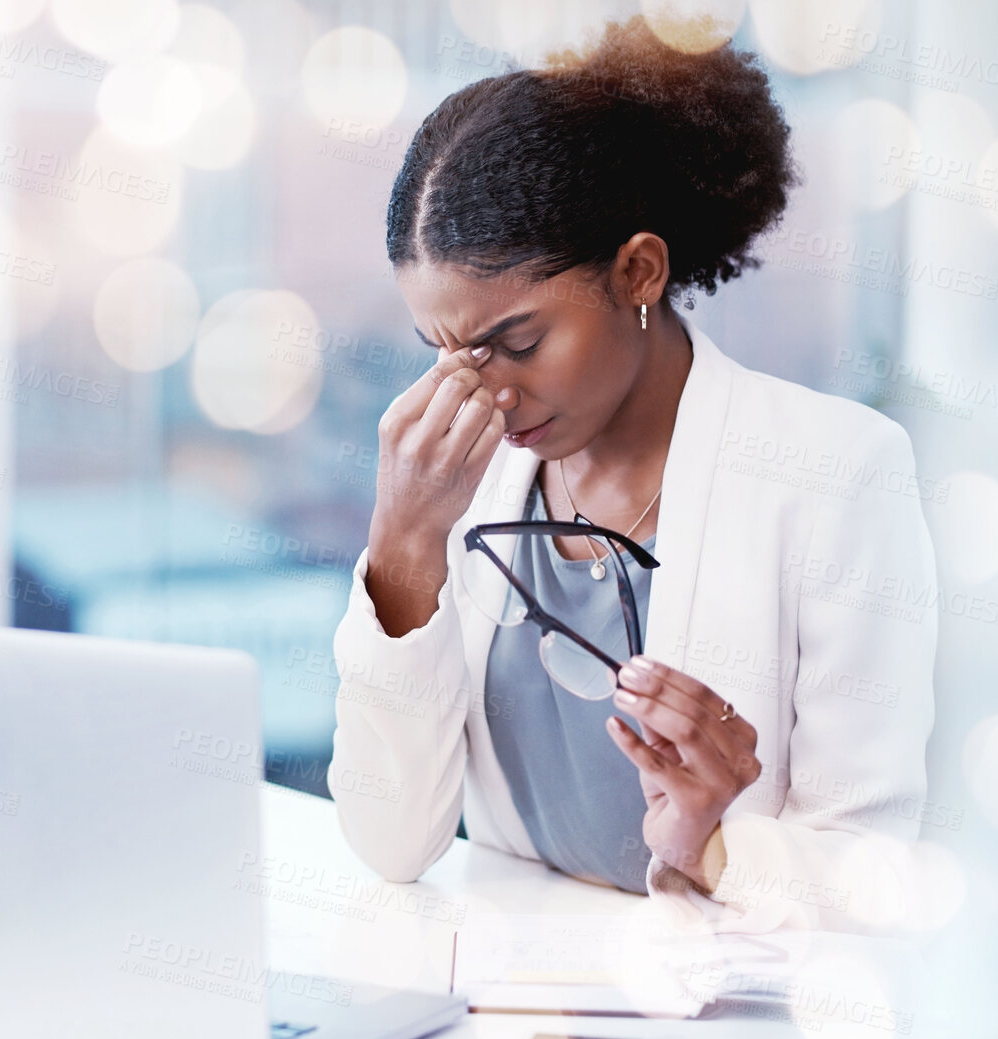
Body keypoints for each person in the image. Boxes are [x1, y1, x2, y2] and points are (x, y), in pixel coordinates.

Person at [328, 16, 938, 933]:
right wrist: (402, 545)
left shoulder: (833, 474)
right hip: (512, 1000)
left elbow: (870, 873)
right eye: (445, 353)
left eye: (517, 341)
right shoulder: (463, 488)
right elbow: (390, 841)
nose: (480, 394)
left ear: (639, 271)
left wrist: (711, 842)